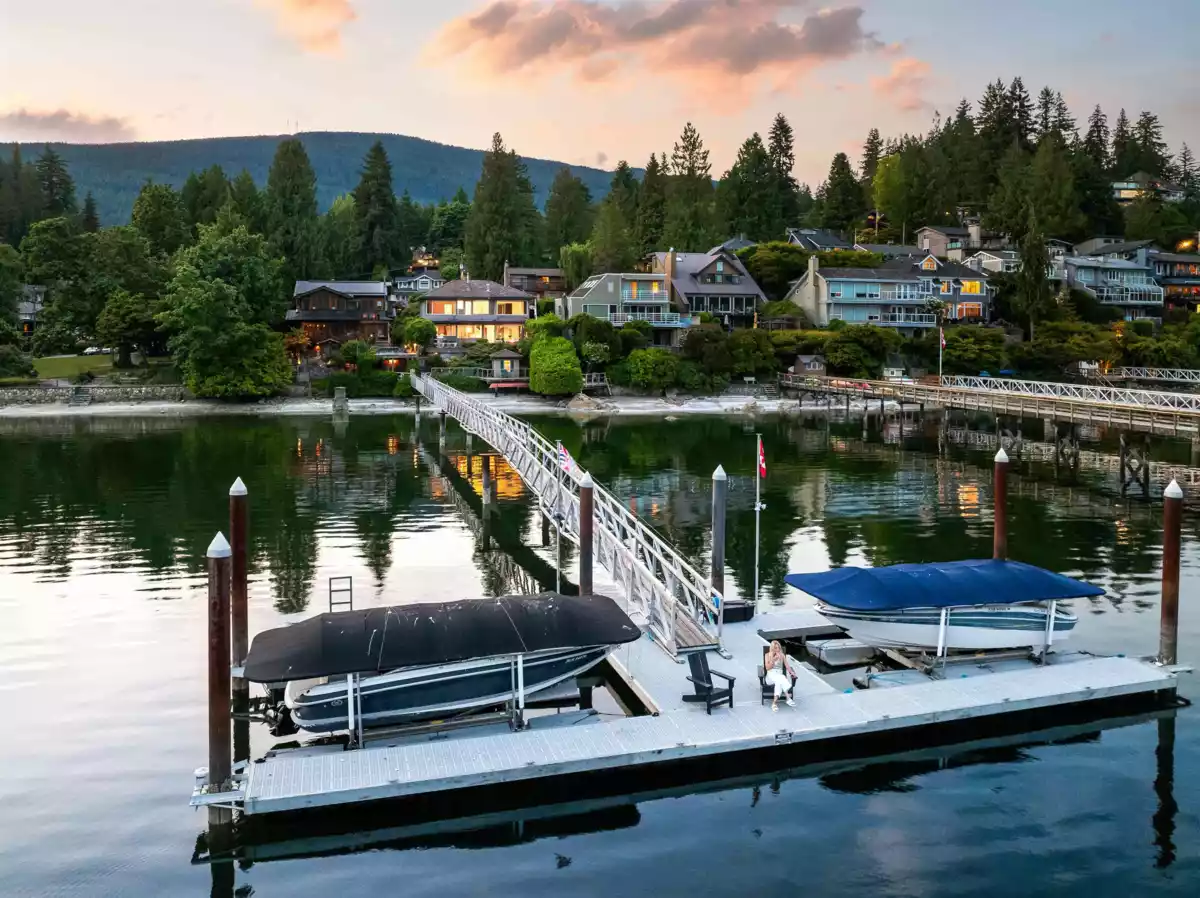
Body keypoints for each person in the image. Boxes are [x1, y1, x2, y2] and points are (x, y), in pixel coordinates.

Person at [764, 640, 795, 711]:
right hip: (770, 677)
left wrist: (791, 672)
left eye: (778, 648)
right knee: (781, 678)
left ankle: (774, 703)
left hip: (779, 676)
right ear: (772, 648)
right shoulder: (767, 655)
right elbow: (767, 668)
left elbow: (787, 665)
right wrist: (773, 660)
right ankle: (788, 698)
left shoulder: (782, 655)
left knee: (779, 681)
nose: (777, 649)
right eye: (775, 648)